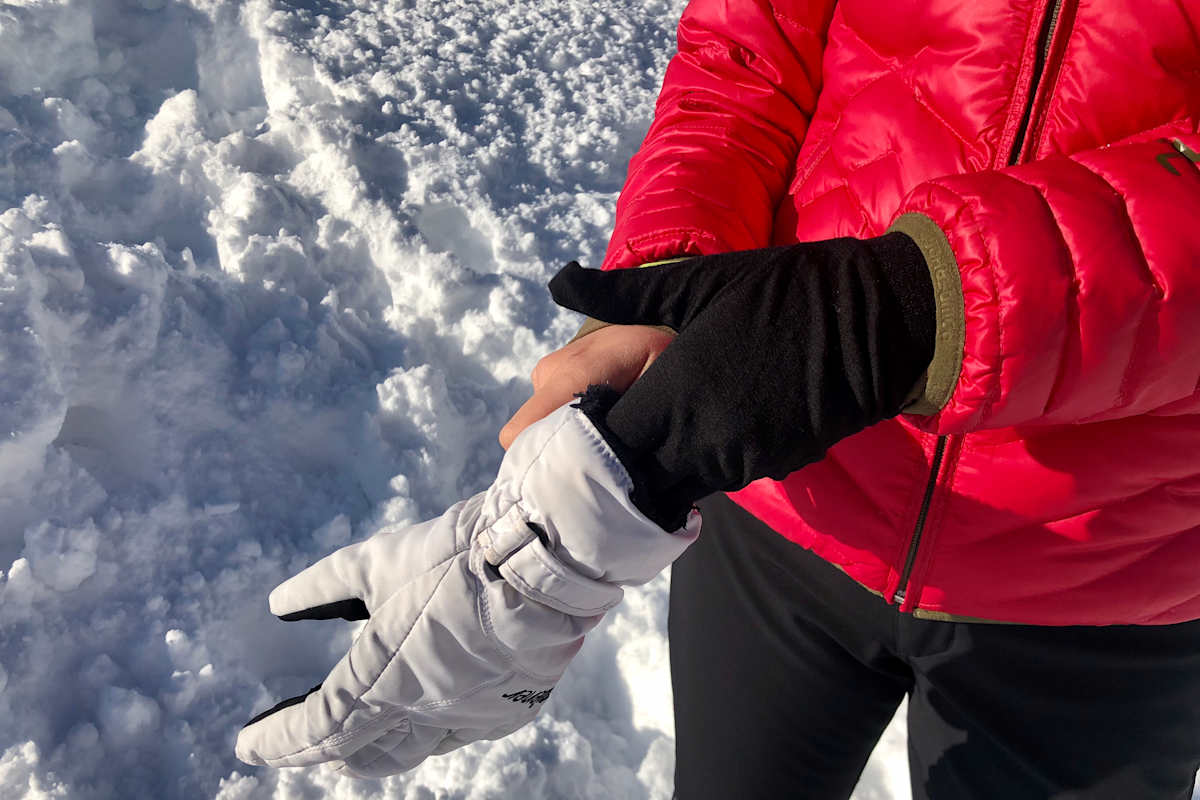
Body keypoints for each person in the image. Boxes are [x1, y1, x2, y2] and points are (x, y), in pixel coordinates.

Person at [238, 0, 1200, 797]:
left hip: (1114, 581)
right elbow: (745, 57)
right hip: (783, 502)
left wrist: (901, 310)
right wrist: (673, 298)